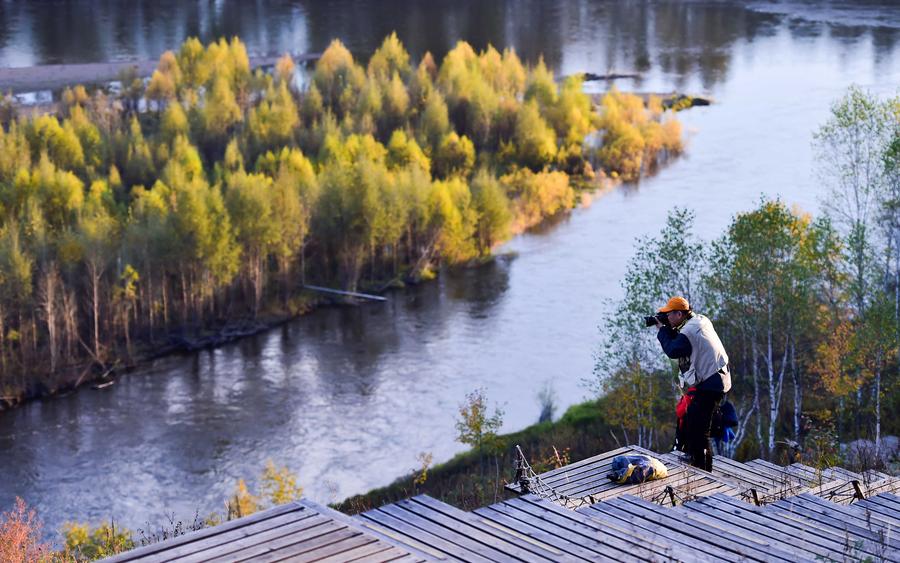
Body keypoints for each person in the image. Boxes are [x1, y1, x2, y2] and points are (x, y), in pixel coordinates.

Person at [654, 296, 731, 471]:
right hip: (717, 379)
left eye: (668, 314)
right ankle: (700, 464)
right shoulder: (699, 320)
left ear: (679, 314)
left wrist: (662, 331)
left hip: (711, 384)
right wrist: (668, 327)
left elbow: (674, 350)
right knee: (693, 421)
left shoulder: (687, 332)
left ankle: (702, 469)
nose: (667, 318)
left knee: (698, 428)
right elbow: (684, 341)